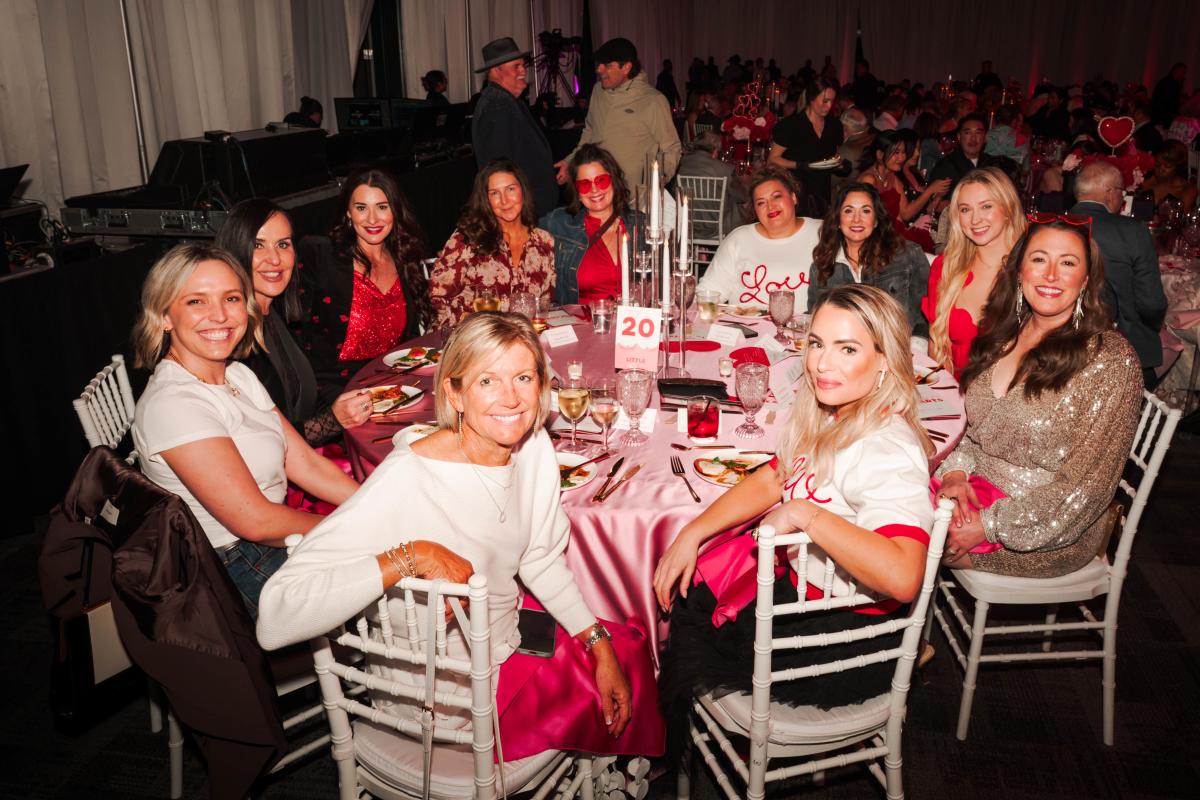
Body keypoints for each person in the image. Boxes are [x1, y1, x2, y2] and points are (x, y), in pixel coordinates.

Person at [257, 312, 661, 758]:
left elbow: (539, 557)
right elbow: (275, 618)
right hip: (445, 698)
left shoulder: (532, 448)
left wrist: (598, 644)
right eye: (487, 381)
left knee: (626, 652)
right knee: (626, 684)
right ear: (454, 393)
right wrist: (411, 557)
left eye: (523, 377)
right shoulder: (409, 477)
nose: (511, 399)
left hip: (504, 646)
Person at [654, 283, 935, 758]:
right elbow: (776, 476)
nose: (822, 364)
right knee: (697, 590)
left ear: (885, 360)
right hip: (811, 604)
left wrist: (807, 514)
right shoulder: (838, 413)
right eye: (818, 344)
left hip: (841, 643)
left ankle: (668, 759)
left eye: (847, 349)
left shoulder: (885, 448)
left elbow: (904, 575)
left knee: (691, 621)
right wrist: (693, 532)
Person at [130, 243, 359, 618]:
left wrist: (373, 505)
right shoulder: (173, 404)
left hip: (271, 538)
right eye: (196, 301)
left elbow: (305, 463)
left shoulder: (236, 374)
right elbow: (255, 522)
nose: (220, 315)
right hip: (235, 568)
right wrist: (357, 530)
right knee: (410, 578)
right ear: (164, 316)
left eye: (231, 298)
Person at [936, 219, 1142, 576]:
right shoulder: (1004, 335)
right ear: (1019, 271)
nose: (1050, 275)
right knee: (889, 506)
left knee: (910, 544)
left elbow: (1087, 489)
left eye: (1067, 263)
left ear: (1086, 279)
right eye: (1039, 259)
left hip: (1044, 527)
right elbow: (975, 432)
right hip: (974, 488)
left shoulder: (1110, 361)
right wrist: (954, 473)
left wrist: (989, 525)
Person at [216, 199, 372, 446]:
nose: (274, 259)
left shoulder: (275, 315)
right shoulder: (230, 336)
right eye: (258, 245)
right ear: (235, 251)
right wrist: (333, 420)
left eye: (283, 244)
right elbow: (257, 440)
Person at [298, 168, 432, 399]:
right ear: (348, 213)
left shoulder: (403, 258)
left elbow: (409, 343)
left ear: (395, 211)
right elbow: (296, 333)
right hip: (338, 392)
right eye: (361, 208)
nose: (372, 219)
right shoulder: (321, 255)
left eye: (382, 207)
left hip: (395, 389)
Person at [1070, 161, 1169, 386]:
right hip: (1119, 349)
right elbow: (1151, 303)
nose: (1122, 198)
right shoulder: (1132, 230)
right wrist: (1153, 326)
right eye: (1122, 192)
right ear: (1109, 192)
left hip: (1058, 342)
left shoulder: (1049, 225)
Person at [922, 167, 1026, 377]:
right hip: (955, 390)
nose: (975, 220)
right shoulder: (946, 267)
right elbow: (937, 348)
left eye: (986, 206)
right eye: (965, 210)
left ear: (1008, 208)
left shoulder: (1029, 269)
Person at [430, 160, 555, 328]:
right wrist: (467, 321)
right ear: (486, 199)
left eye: (510, 189)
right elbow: (437, 297)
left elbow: (545, 305)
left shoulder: (544, 242)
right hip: (474, 337)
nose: (504, 200)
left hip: (526, 337)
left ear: (522, 191)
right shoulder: (467, 239)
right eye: (495, 193)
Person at [555, 37, 682, 189]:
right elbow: (590, 133)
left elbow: (671, 148)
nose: (599, 69)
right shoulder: (598, 91)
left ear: (626, 67)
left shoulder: (653, 100)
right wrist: (571, 162)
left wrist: (654, 184)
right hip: (597, 190)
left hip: (633, 195)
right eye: (599, 64)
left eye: (607, 65)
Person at [808, 182, 931, 336]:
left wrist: (917, 343)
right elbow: (816, 319)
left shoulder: (907, 255)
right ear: (838, 220)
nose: (856, 219)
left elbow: (930, 312)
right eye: (848, 211)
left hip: (899, 346)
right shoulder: (823, 266)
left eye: (865, 211)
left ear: (876, 220)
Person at [697, 166, 820, 309]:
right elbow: (708, 293)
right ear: (755, 210)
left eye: (776, 196)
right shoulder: (739, 239)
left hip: (805, 323)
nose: (770, 206)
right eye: (761, 202)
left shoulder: (821, 233)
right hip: (744, 323)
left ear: (793, 197)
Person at [471, 37, 559, 217]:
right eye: (516, 66)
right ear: (496, 71)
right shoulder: (497, 105)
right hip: (523, 212)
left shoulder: (505, 99)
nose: (523, 71)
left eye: (523, 65)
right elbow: (500, 169)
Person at [540, 144, 638, 305]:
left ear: (614, 181)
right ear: (577, 191)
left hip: (633, 320)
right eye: (585, 184)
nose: (594, 190)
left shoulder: (640, 225)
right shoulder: (561, 223)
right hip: (582, 319)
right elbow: (520, 232)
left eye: (601, 181)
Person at [858, 130, 951, 252]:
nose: (902, 157)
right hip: (875, 239)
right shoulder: (869, 180)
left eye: (903, 152)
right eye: (896, 153)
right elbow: (865, 220)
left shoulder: (892, 177)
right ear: (880, 154)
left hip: (893, 235)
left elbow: (904, 214)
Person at [769, 77, 846, 212]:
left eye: (832, 101)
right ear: (811, 98)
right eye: (825, 101)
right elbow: (773, 159)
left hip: (822, 193)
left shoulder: (834, 125)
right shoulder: (790, 125)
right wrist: (801, 165)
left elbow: (833, 155)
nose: (829, 106)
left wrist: (839, 166)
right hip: (795, 191)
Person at [676, 131, 749, 240]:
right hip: (716, 227)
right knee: (744, 201)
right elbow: (743, 196)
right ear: (715, 152)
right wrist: (745, 182)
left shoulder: (680, 164)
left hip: (687, 224)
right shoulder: (723, 169)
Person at [927, 114, 997, 204]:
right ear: (959, 137)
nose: (973, 138)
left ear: (985, 137)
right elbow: (933, 202)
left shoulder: (991, 164)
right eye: (968, 133)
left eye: (978, 133)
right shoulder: (945, 166)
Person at [1140, 139, 1198, 213]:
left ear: (1178, 167)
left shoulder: (1186, 190)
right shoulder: (1143, 180)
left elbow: (1180, 216)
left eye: (1167, 166)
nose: (1160, 169)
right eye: (1157, 164)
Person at [1151, 63, 1187, 127]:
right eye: (1183, 72)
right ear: (1176, 71)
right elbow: (1168, 102)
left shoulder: (1168, 81)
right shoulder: (1170, 83)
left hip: (1160, 115)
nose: (1183, 75)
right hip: (1162, 117)